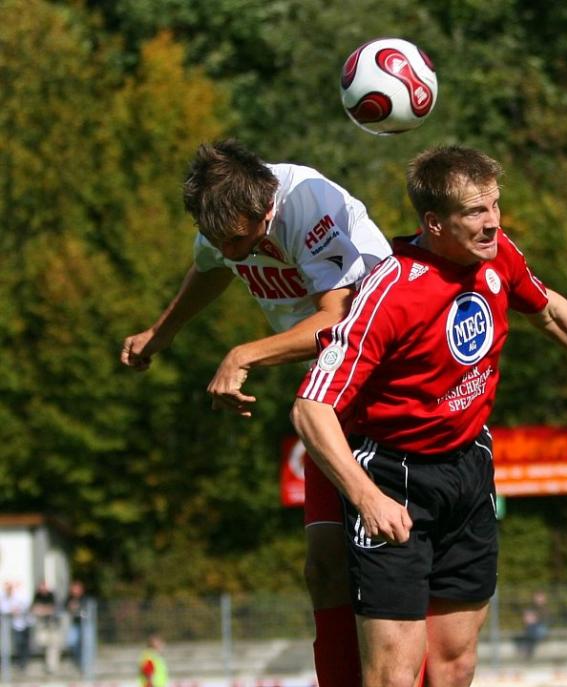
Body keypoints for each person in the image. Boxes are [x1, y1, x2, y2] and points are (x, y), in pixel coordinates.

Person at [291, 145, 567, 687]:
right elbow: (310, 409)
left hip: (469, 470)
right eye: (475, 211)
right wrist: (367, 497)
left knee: (456, 664)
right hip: (395, 480)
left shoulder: (497, 256)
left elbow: (551, 310)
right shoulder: (392, 293)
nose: (492, 222)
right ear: (434, 223)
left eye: (494, 206)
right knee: (393, 676)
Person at [120, 139, 391, 687]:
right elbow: (211, 267)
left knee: (389, 565)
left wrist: (242, 355)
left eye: (243, 240)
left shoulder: (308, 207)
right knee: (322, 567)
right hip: (329, 394)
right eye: (223, 240)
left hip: (388, 386)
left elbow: (340, 323)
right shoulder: (226, 215)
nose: (236, 252)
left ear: (267, 209)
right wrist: (160, 332)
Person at [30, 580, 64, 673]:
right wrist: (45, 610)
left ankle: (52, 668)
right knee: (41, 641)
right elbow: (33, 609)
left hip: (53, 626)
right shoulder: (37, 596)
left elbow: (53, 608)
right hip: (43, 626)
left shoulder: (51, 595)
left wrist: (42, 610)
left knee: (53, 646)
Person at [0, 581, 31, 672]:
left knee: (24, 644)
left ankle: (23, 663)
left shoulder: (19, 596)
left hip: (24, 623)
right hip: (13, 625)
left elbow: (24, 605)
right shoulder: (4, 597)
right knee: (17, 644)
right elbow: (5, 609)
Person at [515, 591, 549, 660]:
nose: (538, 600)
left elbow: (546, 621)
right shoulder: (531, 608)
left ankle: (527, 651)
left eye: (540, 597)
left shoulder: (546, 609)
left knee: (532, 630)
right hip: (532, 628)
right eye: (537, 597)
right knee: (531, 629)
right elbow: (526, 619)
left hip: (541, 629)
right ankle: (528, 651)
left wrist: (535, 619)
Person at [65, 580, 87, 668]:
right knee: (72, 642)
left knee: (84, 643)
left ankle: (83, 661)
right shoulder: (69, 599)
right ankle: (77, 659)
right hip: (75, 624)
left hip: (85, 624)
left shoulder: (85, 598)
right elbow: (65, 607)